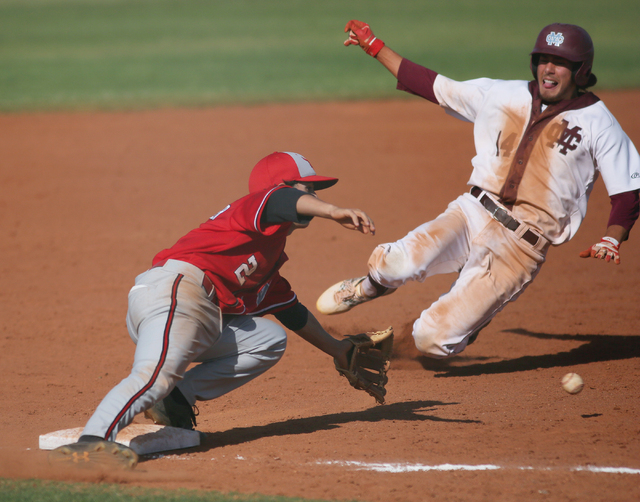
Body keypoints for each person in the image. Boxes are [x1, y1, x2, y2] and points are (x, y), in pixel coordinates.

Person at [317, 21, 640, 359]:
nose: (548, 68)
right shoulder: (502, 94)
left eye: (559, 62)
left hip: (520, 248)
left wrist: (612, 237)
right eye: (543, 58)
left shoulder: (598, 122)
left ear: (580, 70)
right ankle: (367, 288)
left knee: (430, 340)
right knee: (395, 264)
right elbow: (434, 86)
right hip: (472, 212)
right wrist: (374, 46)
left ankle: (472, 321)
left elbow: (628, 192)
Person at [49, 151, 379, 469]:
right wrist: (333, 210)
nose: (313, 193)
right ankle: (91, 441)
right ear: (284, 187)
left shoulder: (267, 257)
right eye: (308, 187)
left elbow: (292, 312)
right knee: (154, 375)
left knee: (270, 339)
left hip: (194, 313)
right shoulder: (253, 208)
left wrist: (339, 350)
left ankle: (178, 396)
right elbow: (281, 200)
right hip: (176, 293)